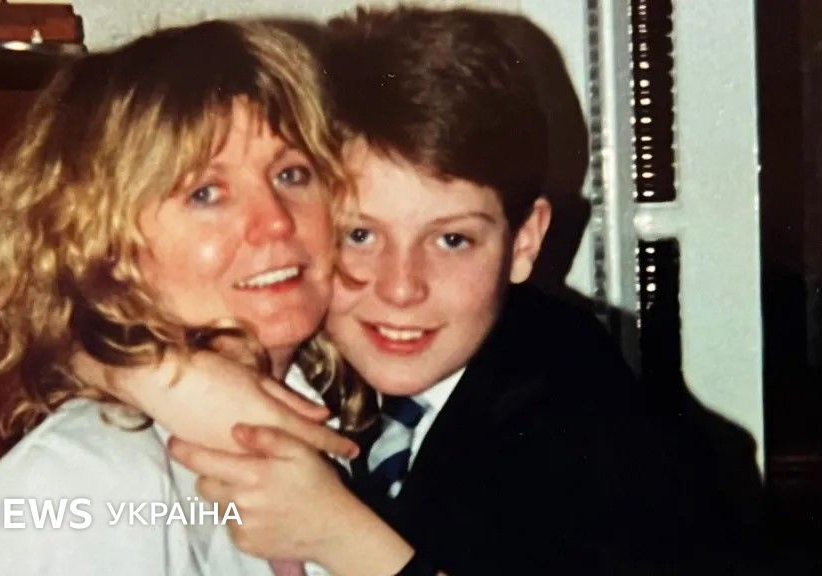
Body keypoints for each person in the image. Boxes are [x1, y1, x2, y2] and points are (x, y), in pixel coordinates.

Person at [100, 7, 753, 575]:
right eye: (360, 235)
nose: (401, 288)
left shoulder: (614, 443)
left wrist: (345, 539)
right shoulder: (311, 349)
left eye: (453, 240)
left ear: (524, 243)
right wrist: (152, 372)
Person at [0, 19, 366, 575]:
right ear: (104, 245)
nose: (274, 222)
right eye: (206, 193)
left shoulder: (344, 424)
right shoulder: (83, 479)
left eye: (292, 174)